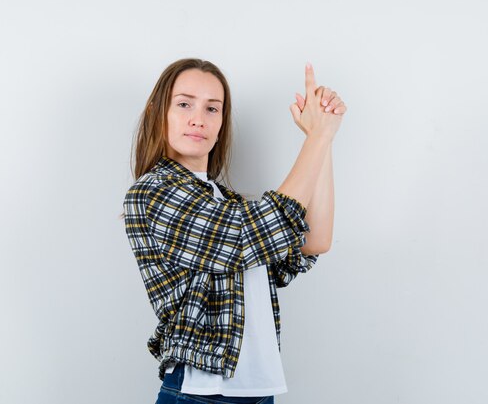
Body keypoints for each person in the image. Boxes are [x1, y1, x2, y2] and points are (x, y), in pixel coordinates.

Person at [122, 58, 346, 404]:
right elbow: (246, 236)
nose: (199, 118)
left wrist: (325, 137)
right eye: (184, 104)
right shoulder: (153, 191)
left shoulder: (224, 200)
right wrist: (314, 139)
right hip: (203, 392)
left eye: (213, 108)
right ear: (157, 112)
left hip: (258, 390)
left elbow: (315, 241)